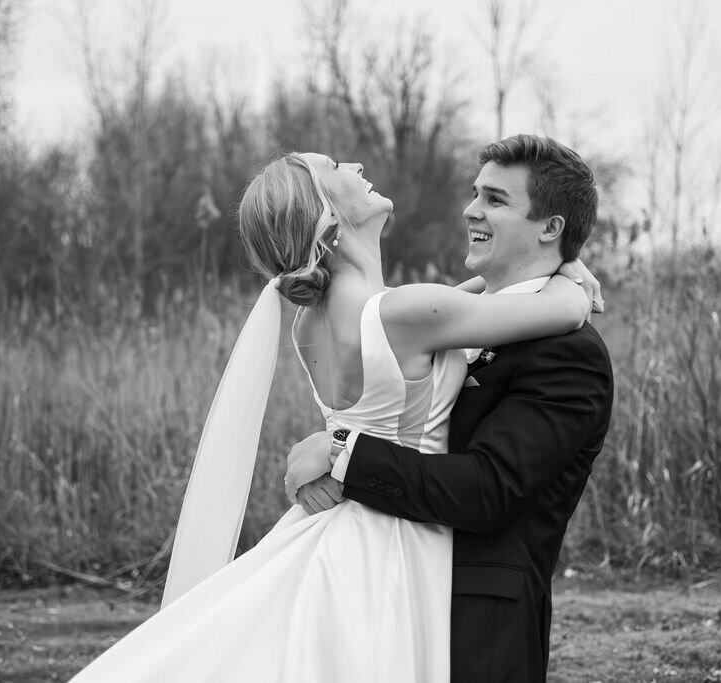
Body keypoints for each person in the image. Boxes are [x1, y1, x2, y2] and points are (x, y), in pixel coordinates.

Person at [70, 138, 600, 682]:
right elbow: (561, 310)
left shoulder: (316, 322)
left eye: (495, 198)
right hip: (393, 542)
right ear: (326, 212)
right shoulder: (405, 312)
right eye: (335, 167)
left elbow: (454, 307)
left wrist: (339, 449)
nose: (356, 165)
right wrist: (571, 277)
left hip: (334, 524)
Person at [285, 134, 614, 682]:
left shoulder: (567, 353)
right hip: (374, 592)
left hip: (472, 628)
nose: (471, 210)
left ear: (550, 227)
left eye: (495, 200)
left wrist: (342, 452)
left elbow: (488, 491)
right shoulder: (447, 322)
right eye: (476, 193)